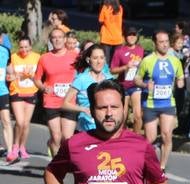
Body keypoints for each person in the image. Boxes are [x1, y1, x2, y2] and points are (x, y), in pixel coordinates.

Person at [135, 30, 184, 168]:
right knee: (150, 138)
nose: (164, 45)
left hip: (168, 103)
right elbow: (137, 78)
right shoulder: (147, 60)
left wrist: (181, 82)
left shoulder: (175, 61)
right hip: (150, 104)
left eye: (166, 42)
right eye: (161, 42)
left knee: (166, 135)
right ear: (155, 43)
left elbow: (180, 76)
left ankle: (161, 167)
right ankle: (143, 161)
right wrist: (145, 84)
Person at [35, 28, 79, 156]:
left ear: (65, 39)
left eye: (60, 37)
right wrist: (43, 87)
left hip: (69, 101)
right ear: (50, 40)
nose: (57, 40)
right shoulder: (44, 58)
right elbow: (37, 79)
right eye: (54, 37)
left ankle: (56, 149)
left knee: (67, 138)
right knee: (56, 137)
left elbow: (84, 73)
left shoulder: (74, 56)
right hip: (51, 101)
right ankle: (56, 167)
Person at [62, 44, 113, 133]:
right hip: (86, 127)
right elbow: (64, 104)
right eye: (95, 58)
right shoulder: (81, 79)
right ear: (88, 60)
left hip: (105, 125)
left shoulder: (110, 79)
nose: (99, 61)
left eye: (101, 58)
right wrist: (83, 109)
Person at [7, 35, 41, 161]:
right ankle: (15, 146)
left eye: (26, 47)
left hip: (31, 92)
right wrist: (15, 75)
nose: (24, 49)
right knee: (20, 122)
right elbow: (8, 75)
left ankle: (22, 147)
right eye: (21, 47)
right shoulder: (14, 57)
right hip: (17, 92)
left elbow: (41, 74)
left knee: (26, 124)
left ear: (30, 47)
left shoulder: (37, 57)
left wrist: (32, 75)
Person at [108, 26, 144, 132]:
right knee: (122, 117)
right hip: (123, 86)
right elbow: (112, 70)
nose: (132, 37)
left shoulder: (140, 50)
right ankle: (121, 138)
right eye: (129, 35)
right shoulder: (119, 51)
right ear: (125, 37)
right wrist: (125, 67)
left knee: (137, 116)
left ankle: (135, 139)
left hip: (135, 85)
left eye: (134, 35)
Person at [0, 35, 13, 159]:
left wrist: (12, 75)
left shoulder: (5, 51)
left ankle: (10, 151)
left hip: (2, 91)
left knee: (6, 120)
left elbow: (10, 70)